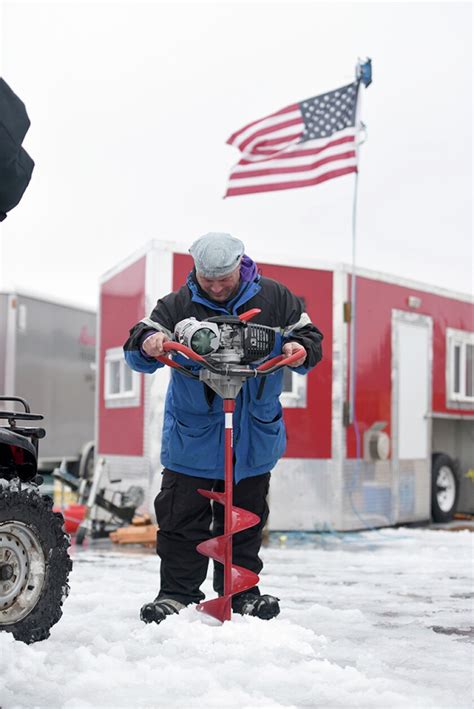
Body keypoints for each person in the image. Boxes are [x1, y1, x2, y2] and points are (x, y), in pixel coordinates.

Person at [124, 232, 323, 624]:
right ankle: (176, 594)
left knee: (245, 523)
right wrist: (150, 343)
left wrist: (297, 349)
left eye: (224, 279)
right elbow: (136, 343)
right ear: (196, 270)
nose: (215, 287)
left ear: (240, 266)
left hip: (252, 437)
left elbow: (310, 340)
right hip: (192, 438)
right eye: (208, 279)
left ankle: (241, 593)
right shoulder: (177, 303)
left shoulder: (276, 298)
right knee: (181, 521)